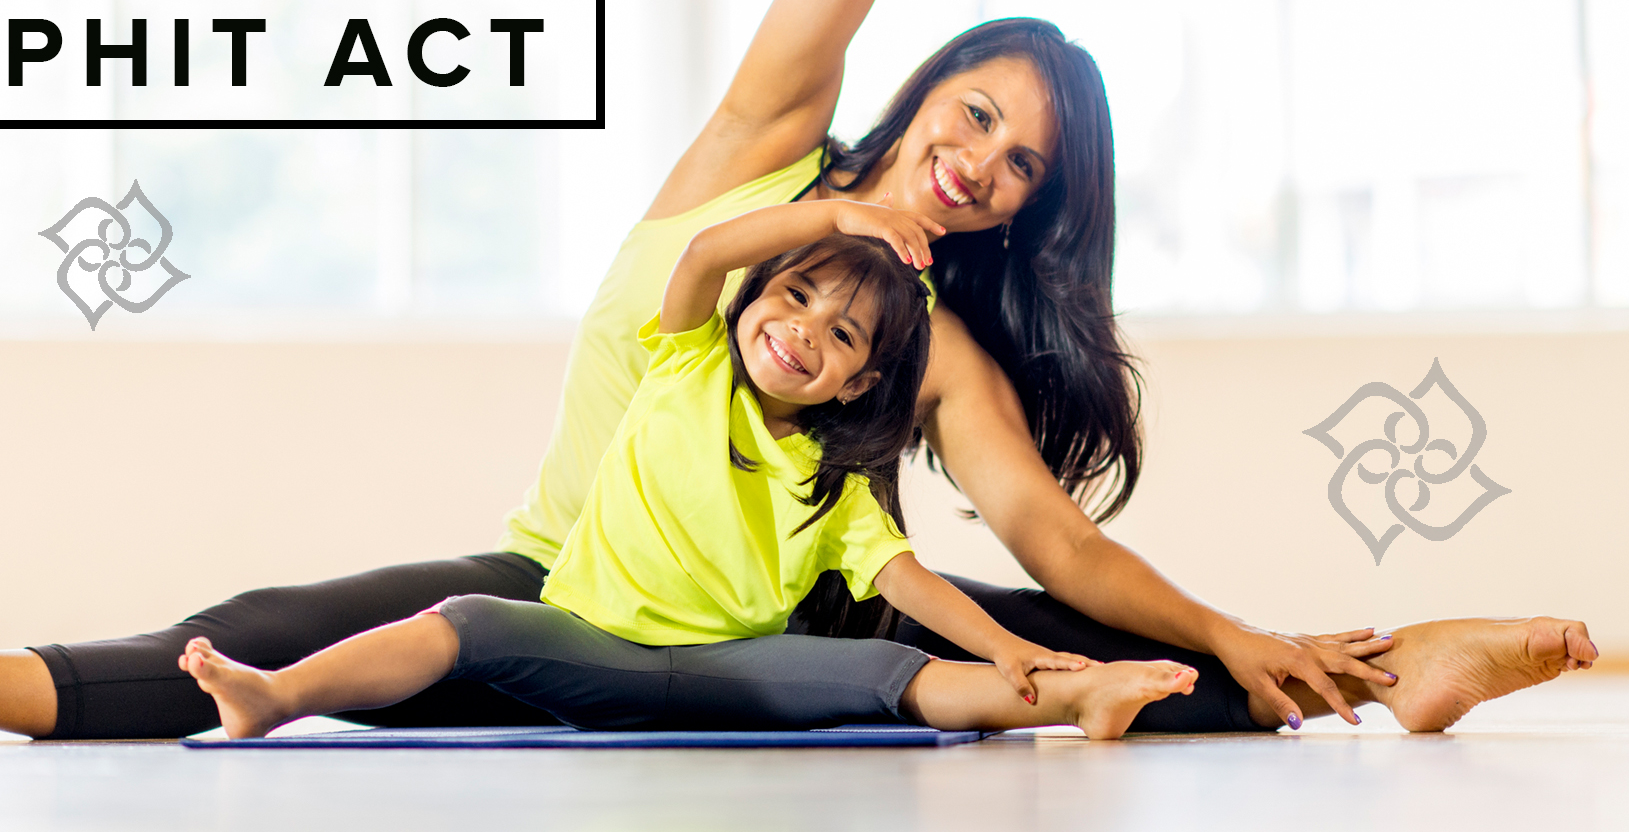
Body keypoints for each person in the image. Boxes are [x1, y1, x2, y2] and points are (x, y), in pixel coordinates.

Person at [0, 0, 1597, 744]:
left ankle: (1373, 663)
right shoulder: (754, 158)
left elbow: (1045, 537)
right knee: (273, 629)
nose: (983, 169)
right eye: (971, 121)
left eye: (1021, 169)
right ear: (915, 99)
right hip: (560, 560)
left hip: (743, 607)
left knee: (1052, 639)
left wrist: (1222, 626)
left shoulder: (927, 334)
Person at [180, 203, 1198, 741]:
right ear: (760, 295)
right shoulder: (688, 356)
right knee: (462, 624)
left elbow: (908, 583)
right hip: (592, 643)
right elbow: (710, 250)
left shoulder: (829, 481)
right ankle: (275, 696)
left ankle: (1073, 700)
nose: (801, 333)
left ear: (858, 382)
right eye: (794, 299)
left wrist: (1012, 647)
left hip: (736, 674)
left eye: (838, 335)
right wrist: (837, 218)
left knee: (898, 677)